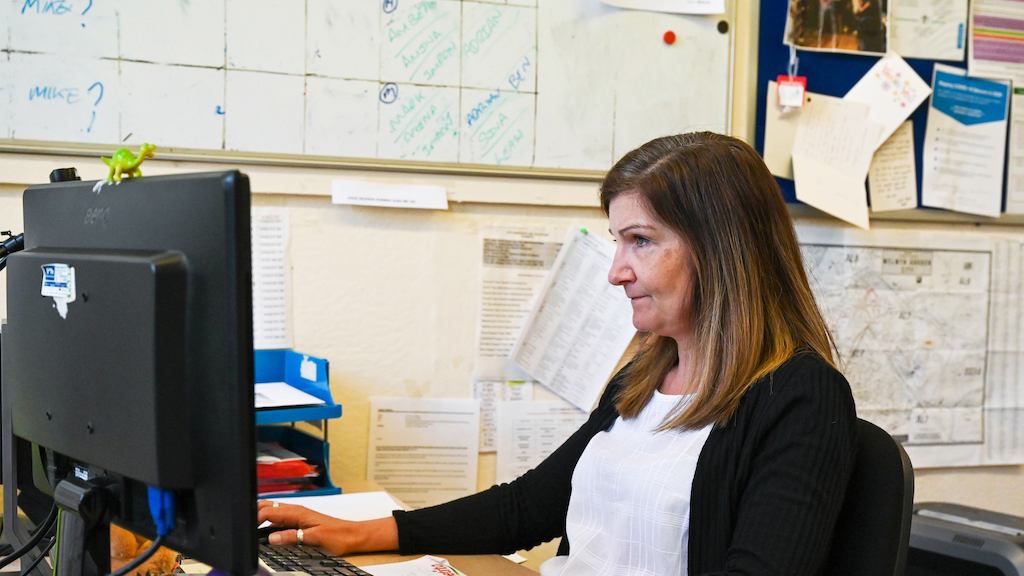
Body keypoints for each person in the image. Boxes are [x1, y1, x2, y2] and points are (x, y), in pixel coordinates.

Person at [258, 132, 858, 575]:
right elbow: (530, 506)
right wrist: (367, 534)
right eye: (617, 242)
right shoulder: (647, 375)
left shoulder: (802, 398)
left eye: (641, 242)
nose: (617, 272)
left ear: (723, 251)